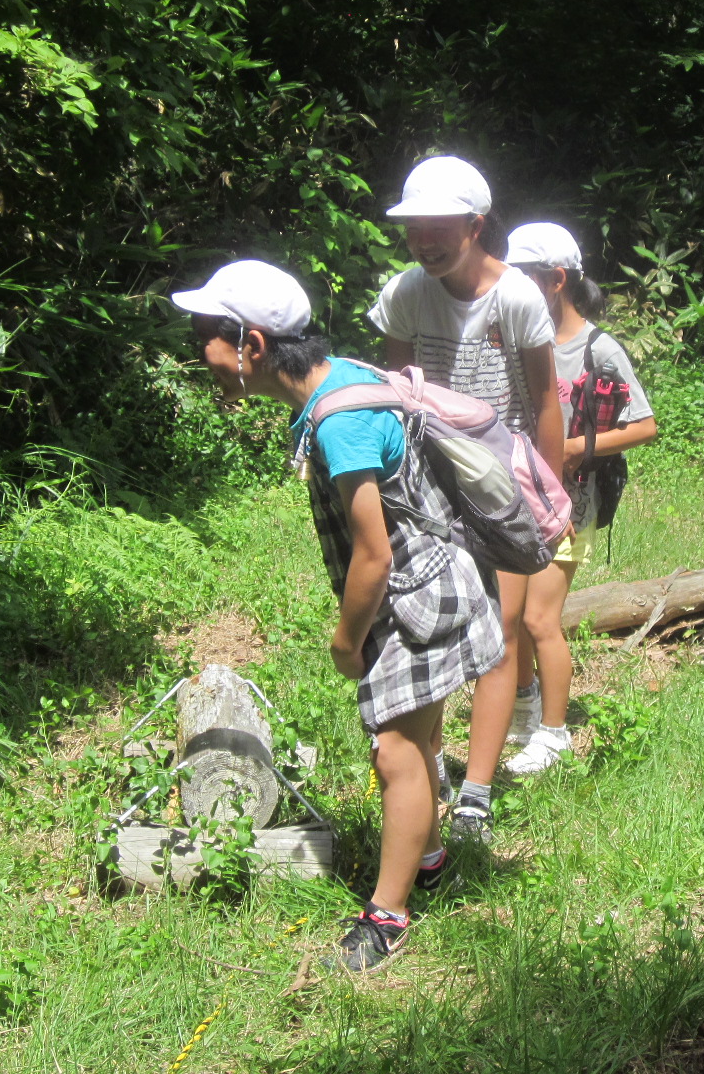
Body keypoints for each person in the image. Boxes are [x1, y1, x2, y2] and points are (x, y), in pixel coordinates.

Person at [173, 259, 504, 973]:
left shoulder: (340, 424)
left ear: (252, 344)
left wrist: (346, 641)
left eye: (206, 337)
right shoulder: (342, 378)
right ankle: (429, 857)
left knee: (396, 752)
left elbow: (374, 555)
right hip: (428, 587)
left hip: (415, 598)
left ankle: (387, 917)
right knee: (412, 740)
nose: (200, 354)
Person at [368, 156, 563, 838]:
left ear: (476, 226)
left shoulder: (517, 298)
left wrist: (549, 501)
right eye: (414, 227)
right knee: (422, 627)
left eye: (438, 227)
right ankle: (430, 764)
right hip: (424, 484)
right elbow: (394, 389)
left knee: (500, 635)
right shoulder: (405, 292)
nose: (423, 241)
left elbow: (545, 400)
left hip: (498, 484)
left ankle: (476, 791)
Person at [506, 223, 657, 773]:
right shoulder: (514, 341)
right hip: (513, 498)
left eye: (522, 275)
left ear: (555, 280)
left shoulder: (599, 350)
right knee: (511, 616)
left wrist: (575, 448)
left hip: (571, 504)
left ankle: (554, 734)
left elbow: (645, 425)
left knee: (539, 618)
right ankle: (523, 708)